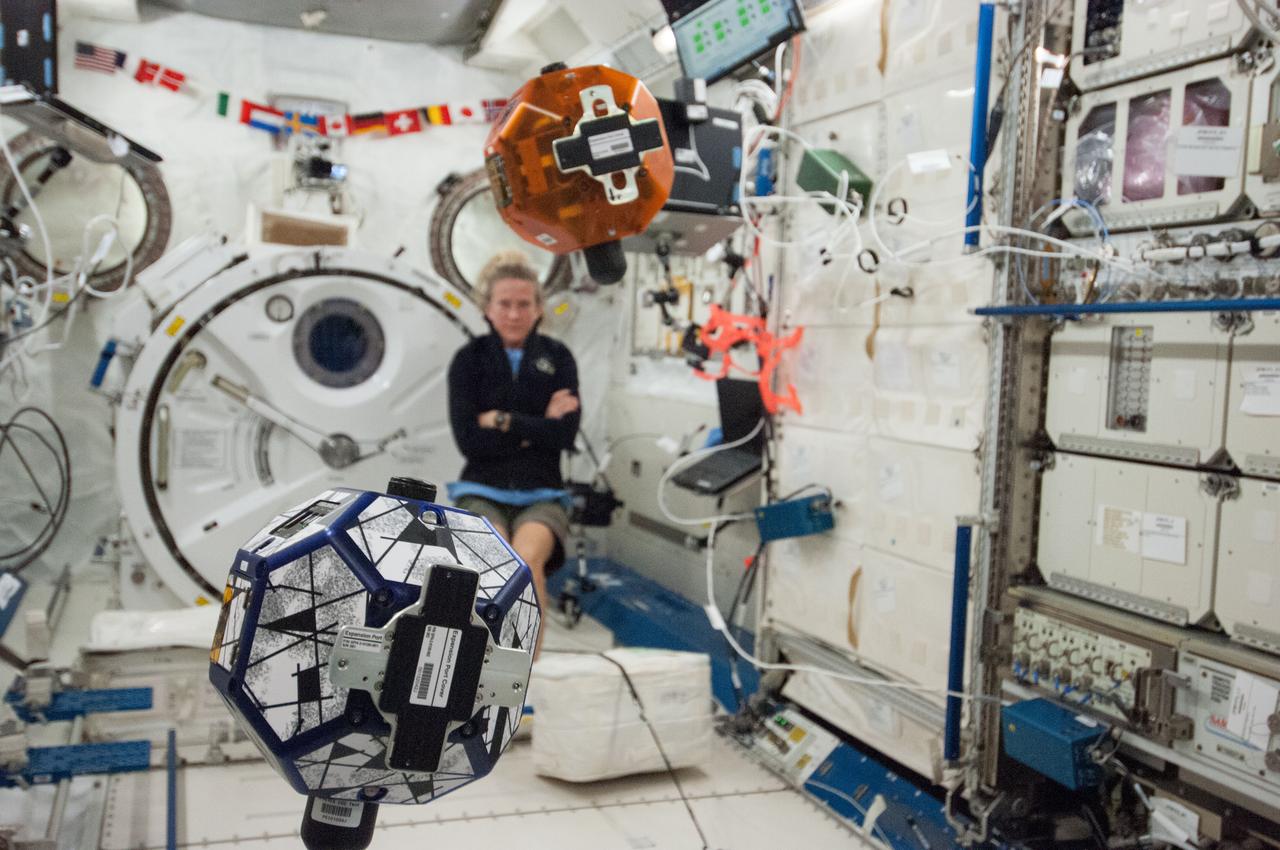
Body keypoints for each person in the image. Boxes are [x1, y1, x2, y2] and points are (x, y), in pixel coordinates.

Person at [446, 250, 579, 654]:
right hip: (482, 488)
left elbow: (565, 433)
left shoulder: (558, 359)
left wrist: (501, 421)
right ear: (487, 309)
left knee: (525, 563)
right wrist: (537, 425)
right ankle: (479, 662)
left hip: (543, 492)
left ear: (539, 309)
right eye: (505, 304)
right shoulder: (468, 361)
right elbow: (469, 440)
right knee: (493, 563)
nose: (514, 313)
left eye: (524, 304)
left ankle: (524, 674)